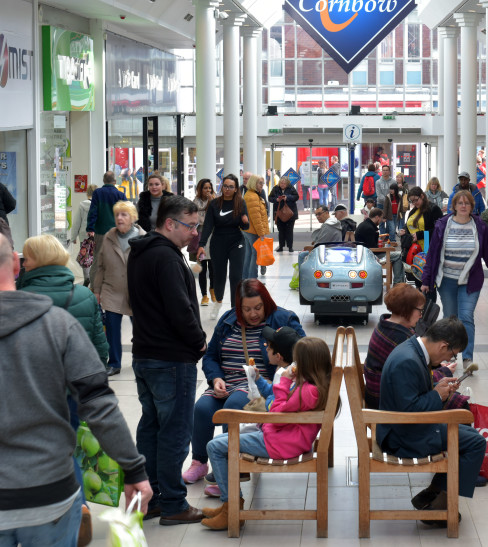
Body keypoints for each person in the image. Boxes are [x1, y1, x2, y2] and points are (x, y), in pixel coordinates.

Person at [0, 229, 151, 539]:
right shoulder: (59, 326)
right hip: (50, 496)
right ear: (14, 263)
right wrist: (133, 469)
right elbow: (99, 404)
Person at [126, 196, 205, 524]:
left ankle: (153, 496)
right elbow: (179, 309)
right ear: (170, 224)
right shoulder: (168, 258)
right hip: (171, 359)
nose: (194, 233)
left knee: (152, 427)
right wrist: (199, 341)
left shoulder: (141, 252)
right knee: (174, 432)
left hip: (145, 353)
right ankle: (173, 504)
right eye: (190, 226)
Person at [200, 336, 333, 530]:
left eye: (297, 361)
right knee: (221, 440)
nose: (293, 365)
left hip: (281, 443)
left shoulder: (307, 391)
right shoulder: (312, 387)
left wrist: (285, 382)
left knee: (214, 446)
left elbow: (276, 412)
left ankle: (232, 508)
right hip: (285, 438)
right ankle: (230, 505)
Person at [184, 280, 306, 485]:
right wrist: (216, 379)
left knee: (233, 407)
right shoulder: (228, 321)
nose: (253, 314)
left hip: (258, 385)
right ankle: (199, 461)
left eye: (258, 308)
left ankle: (229, 465)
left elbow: (305, 351)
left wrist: (282, 375)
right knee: (202, 408)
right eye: (246, 309)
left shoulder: (282, 319)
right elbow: (211, 355)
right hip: (226, 382)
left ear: (266, 302)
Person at [378, 318, 488, 521]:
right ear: (443, 345)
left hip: (405, 427)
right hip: (402, 436)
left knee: (471, 435)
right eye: (451, 354)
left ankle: (435, 492)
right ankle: (440, 506)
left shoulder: (412, 348)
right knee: (476, 443)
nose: (448, 358)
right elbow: (410, 411)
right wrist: (437, 395)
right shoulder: (408, 361)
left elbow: (412, 397)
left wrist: (439, 388)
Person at [421, 190, 488, 371]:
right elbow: (432, 254)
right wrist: (426, 279)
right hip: (446, 280)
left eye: (467, 203)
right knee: (450, 319)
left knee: (466, 317)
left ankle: (467, 358)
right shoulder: (442, 225)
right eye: (460, 203)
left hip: (470, 281)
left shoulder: (480, 226)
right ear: (454, 206)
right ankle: (446, 357)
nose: (464, 206)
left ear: (472, 207)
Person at [363, 283, 468, 411]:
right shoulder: (399, 338)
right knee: (459, 404)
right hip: (384, 400)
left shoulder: (385, 325)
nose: (421, 315)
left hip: (383, 393)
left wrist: (438, 368)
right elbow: (412, 375)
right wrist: (443, 373)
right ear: (406, 310)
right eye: (419, 310)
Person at [18, 234, 109, 366]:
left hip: (36, 381)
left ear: (39, 261)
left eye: (26, 259)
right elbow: (100, 346)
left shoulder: (19, 297)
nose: (24, 263)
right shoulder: (86, 296)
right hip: (78, 378)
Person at [92, 200, 144, 376]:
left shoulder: (143, 238)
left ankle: (140, 360)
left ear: (133, 218)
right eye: (117, 215)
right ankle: (114, 363)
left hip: (137, 292)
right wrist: (96, 291)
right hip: (111, 290)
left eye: (124, 214)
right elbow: (100, 266)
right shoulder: (108, 237)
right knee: (112, 329)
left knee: (140, 330)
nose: (120, 218)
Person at [197, 174, 250, 311]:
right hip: (218, 242)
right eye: (225, 186)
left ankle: (235, 308)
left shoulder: (240, 202)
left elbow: (245, 227)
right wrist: (201, 245)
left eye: (231, 187)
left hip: (236, 241)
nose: (227, 189)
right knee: (219, 275)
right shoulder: (215, 203)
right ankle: (218, 301)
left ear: (236, 189)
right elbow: (208, 225)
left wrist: (245, 222)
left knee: (236, 275)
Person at [86, 170, 127, 260]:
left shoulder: (97, 193)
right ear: (115, 182)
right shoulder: (121, 195)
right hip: (116, 233)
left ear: (103, 180)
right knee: (115, 259)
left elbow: (93, 212)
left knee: (98, 259)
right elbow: (126, 214)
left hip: (100, 231)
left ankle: (96, 275)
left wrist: (90, 228)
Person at [193, 178, 216, 305]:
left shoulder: (215, 200)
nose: (208, 190)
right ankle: (204, 295)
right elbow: (199, 218)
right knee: (202, 266)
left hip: (213, 236)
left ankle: (212, 288)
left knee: (213, 266)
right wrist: (209, 204)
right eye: (205, 188)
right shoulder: (196, 202)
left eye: (209, 188)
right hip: (200, 237)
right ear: (200, 189)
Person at [69, 184, 97, 286]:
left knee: (85, 257)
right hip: (95, 236)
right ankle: (93, 278)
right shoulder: (99, 205)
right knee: (94, 257)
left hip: (84, 236)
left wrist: (73, 237)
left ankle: (87, 278)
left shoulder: (82, 205)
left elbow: (77, 222)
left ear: (87, 193)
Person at [243, 174, 269, 279]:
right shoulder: (252, 197)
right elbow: (256, 218)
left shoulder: (251, 195)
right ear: (254, 183)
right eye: (260, 183)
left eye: (262, 183)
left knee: (249, 254)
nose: (262, 185)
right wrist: (261, 233)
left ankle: (246, 278)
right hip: (253, 231)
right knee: (255, 255)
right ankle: (252, 278)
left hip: (249, 230)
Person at [268, 176, 299, 254]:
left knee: (289, 230)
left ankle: (290, 247)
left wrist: (287, 198)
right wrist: (276, 199)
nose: (282, 184)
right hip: (278, 213)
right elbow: (270, 198)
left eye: (284, 183)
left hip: (290, 213)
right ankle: (281, 246)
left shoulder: (291, 188)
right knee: (280, 230)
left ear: (287, 183)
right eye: (281, 183)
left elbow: (296, 197)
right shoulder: (275, 188)